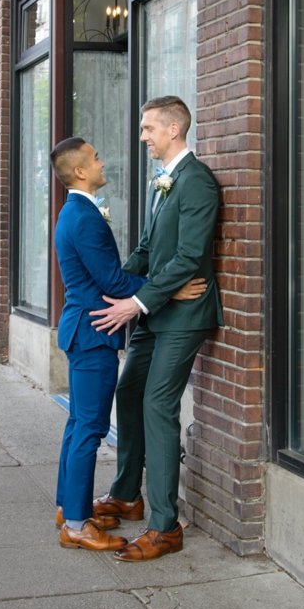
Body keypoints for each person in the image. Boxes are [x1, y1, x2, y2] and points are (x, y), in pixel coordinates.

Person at [50, 136, 205, 551]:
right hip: (93, 330)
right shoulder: (83, 218)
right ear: (81, 171)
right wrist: (169, 290)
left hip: (84, 327)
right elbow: (114, 282)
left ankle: (69, 507)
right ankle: (79, 524)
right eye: (97, 157)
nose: (103, 162)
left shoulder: (75, 212)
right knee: (90, 427)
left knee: (78, 424)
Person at [90, 95, 222, 561]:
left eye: (148, 129)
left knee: (157, 403)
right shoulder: (161, 182)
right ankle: (127, 494)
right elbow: (147, 250)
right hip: (153, 309)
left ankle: (165, 525)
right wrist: (115, 288)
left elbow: (189, 257)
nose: (142, 136)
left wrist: (137, 301)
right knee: (128, 394)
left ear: (173, 130)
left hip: (185, 315)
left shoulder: (197, 182)